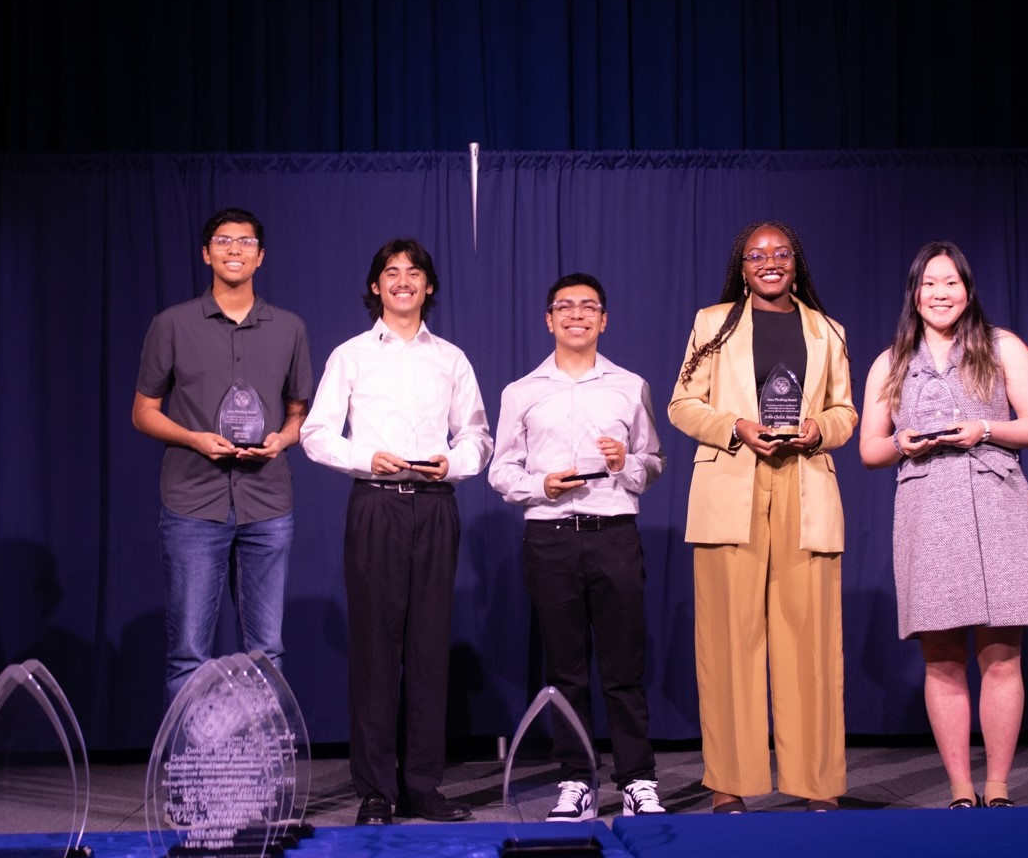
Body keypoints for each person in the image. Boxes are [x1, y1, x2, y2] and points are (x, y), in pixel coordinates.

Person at [300, 238, 492, 826]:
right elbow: (315, 434)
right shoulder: (352, 355)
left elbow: (478, 438)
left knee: (430, 648)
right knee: (376, 651)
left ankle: (424, 786)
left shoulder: (451, 358)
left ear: (428, 286)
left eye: (414, 273)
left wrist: (452, 464)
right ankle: (376, 791)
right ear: (376, 286)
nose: (403, 281)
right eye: (391, 272)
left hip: (435, 506)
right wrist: (366, 457)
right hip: (377, 505)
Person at [667, 220, 857, 813]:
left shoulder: (829, 330)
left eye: (780, 253)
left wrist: (819, 428)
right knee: (729, 642)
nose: (769, 262)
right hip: (731, 489)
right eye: (756, 255)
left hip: (805, 488)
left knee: (812, 642)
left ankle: (816, 781)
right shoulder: (712, 323)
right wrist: (736, 428)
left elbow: (845, 411)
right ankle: (731, 780)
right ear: (742, 266)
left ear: (796, 262)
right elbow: (682, 404)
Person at [858, 240, 1028, 809]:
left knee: (1002, 654)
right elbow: (870, 448)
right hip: (926, 508)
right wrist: (901, 442)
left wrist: (984, 428)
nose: (940, 294)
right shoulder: (891, 360)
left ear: (967, 290)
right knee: (941, 659)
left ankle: (996, 787)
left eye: (951, 283)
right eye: (929, 284)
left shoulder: (1002, 347)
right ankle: (961, 790)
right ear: (914, 295)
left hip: (998, 504)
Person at [488, 273, 667, 821]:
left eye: (588, 307)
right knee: (565, 669)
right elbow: (500, 470)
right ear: (548, 319)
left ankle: (637, 780)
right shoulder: (520, 392)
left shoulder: (630, 386)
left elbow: (653, 463)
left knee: (623, 667)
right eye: (564, 307)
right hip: (550, 537)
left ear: (604, 320)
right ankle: (575, 781)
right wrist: (541, 486)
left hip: (613, 533)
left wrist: (624, 463)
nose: (576, 315)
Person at [133, 207, 313, 708]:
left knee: (267, 651)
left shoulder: (289, 328)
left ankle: (260, 777)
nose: (235, 249)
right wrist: (195, 438)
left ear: (261, 256)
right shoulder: (172, 324)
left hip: (268, 503)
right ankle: (192, 778)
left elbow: (299, 412)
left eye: (246, 241)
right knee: (189, 651)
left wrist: (283, 438)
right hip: (193, 501)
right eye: (224, 241)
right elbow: (143, 412)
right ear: (206, 253)